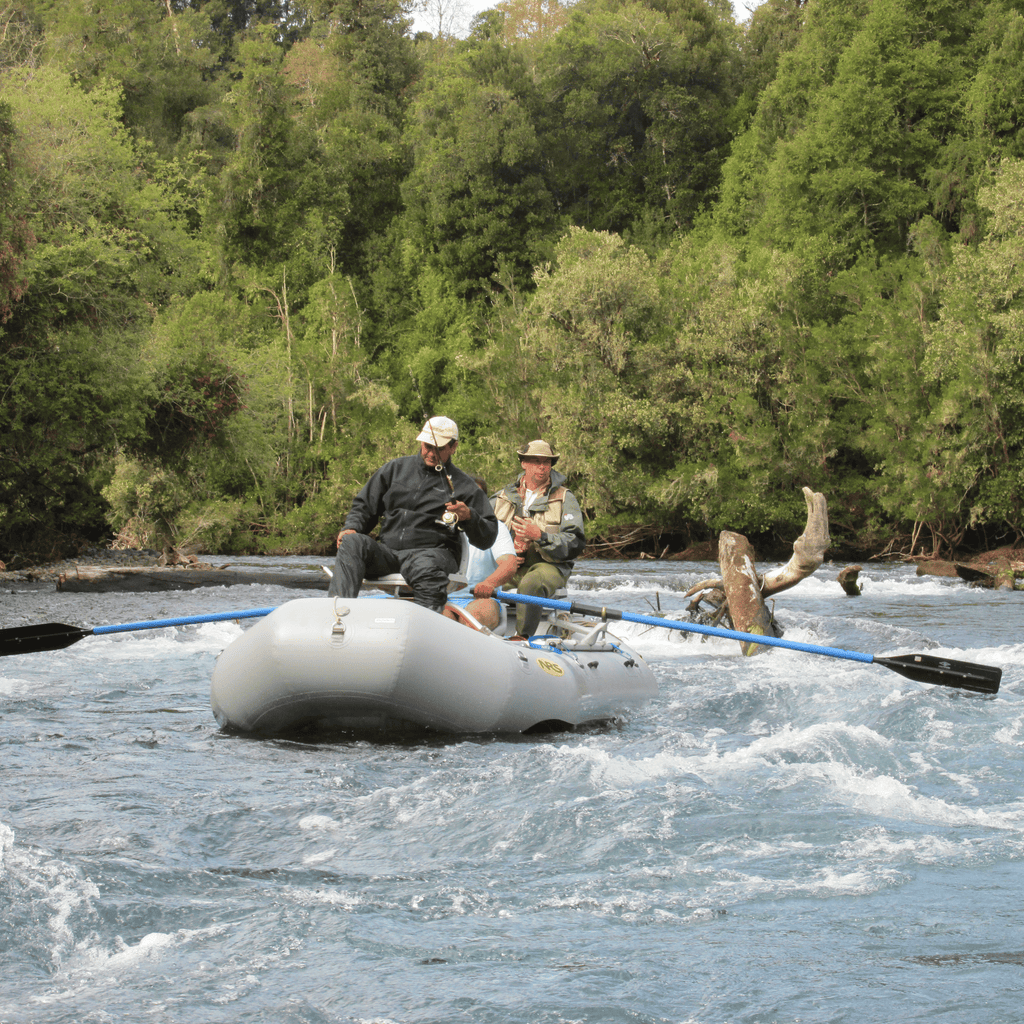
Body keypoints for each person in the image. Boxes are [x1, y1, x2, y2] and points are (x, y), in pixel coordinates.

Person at [328, 417, 498, 612]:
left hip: (434, 554)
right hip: (389, 553)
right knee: (352, 542)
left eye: (439, 448)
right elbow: (364, 506)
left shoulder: (466, 486)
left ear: (453, 447)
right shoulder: (394, 469)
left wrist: (470, 517)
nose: (431, 453)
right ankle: (337, 617)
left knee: (426, 567)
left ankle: (427, 629)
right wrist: (352, 527)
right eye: (427, 446)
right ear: (421, 442)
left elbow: (488, 536)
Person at [493, 439, 586, 638]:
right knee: (478, 581)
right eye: (535, 461)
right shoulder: (501, 497)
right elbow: (481, 538)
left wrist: (541, 536)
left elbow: (575, 543)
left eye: (546, 462)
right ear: (523, 463)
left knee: (531, 584)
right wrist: (503, 556)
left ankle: (522, 637)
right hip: (507, 565)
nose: (542, 467)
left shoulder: (565, 498)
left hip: (549, 565)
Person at [443, 476, 520, 632]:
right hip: (445, 600)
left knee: (472, 619)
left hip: (483, 599)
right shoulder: (439, 527)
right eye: (463, 497)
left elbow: (509, 564)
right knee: (442, 625)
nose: (467, 502)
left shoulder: (495, 528)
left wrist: (490, 583)